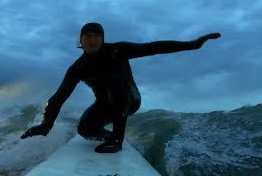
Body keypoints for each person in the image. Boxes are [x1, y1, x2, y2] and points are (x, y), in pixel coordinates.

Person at [21, 22, 221, 153]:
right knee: (84, 128)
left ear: (103, 38)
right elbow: (59, 96)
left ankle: (117, 139)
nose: (92, 40)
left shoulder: (118, 50)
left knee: (113, 80)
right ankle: (109, 136)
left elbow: (154, 47)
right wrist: (47, 123)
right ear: (80, 41)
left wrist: (192, 44)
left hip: (129, 99)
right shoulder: (77, 68)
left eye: (97, 36)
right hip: (104, 104)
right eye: (87, 36)